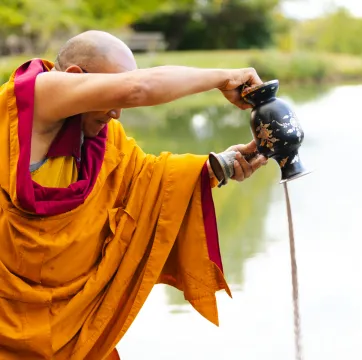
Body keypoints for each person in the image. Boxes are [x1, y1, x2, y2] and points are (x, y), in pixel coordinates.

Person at [0, 30, 267, 359]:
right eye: (115, 97)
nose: (117, 114)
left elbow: (148, 184)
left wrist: (223, 166)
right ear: (74, 79)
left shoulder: (104, 139)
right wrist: (224, 77)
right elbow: (138, 88)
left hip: (73, 332)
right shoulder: (36, 94)